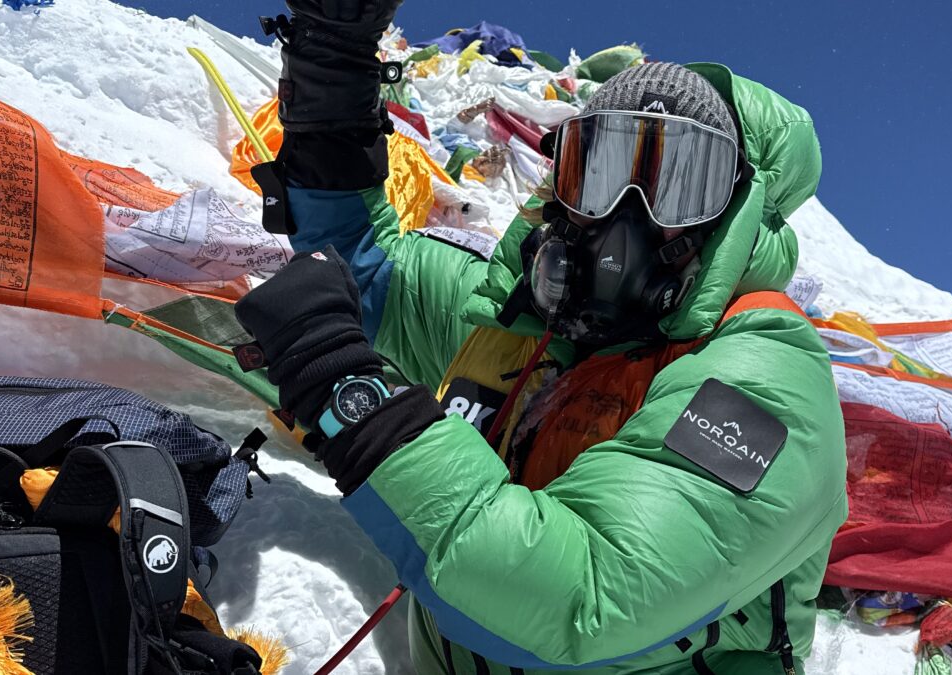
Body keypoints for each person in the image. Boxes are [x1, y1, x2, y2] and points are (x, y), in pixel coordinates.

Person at [235, 0, 848, 672]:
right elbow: (360, 263)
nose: (626, 213)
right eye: (600, 171)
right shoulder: (516, 321)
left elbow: (585, 599)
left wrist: (356, 401)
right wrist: (332, 63)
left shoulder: (765, 377)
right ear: (561, 186)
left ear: (729, 211)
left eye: (678, 184)